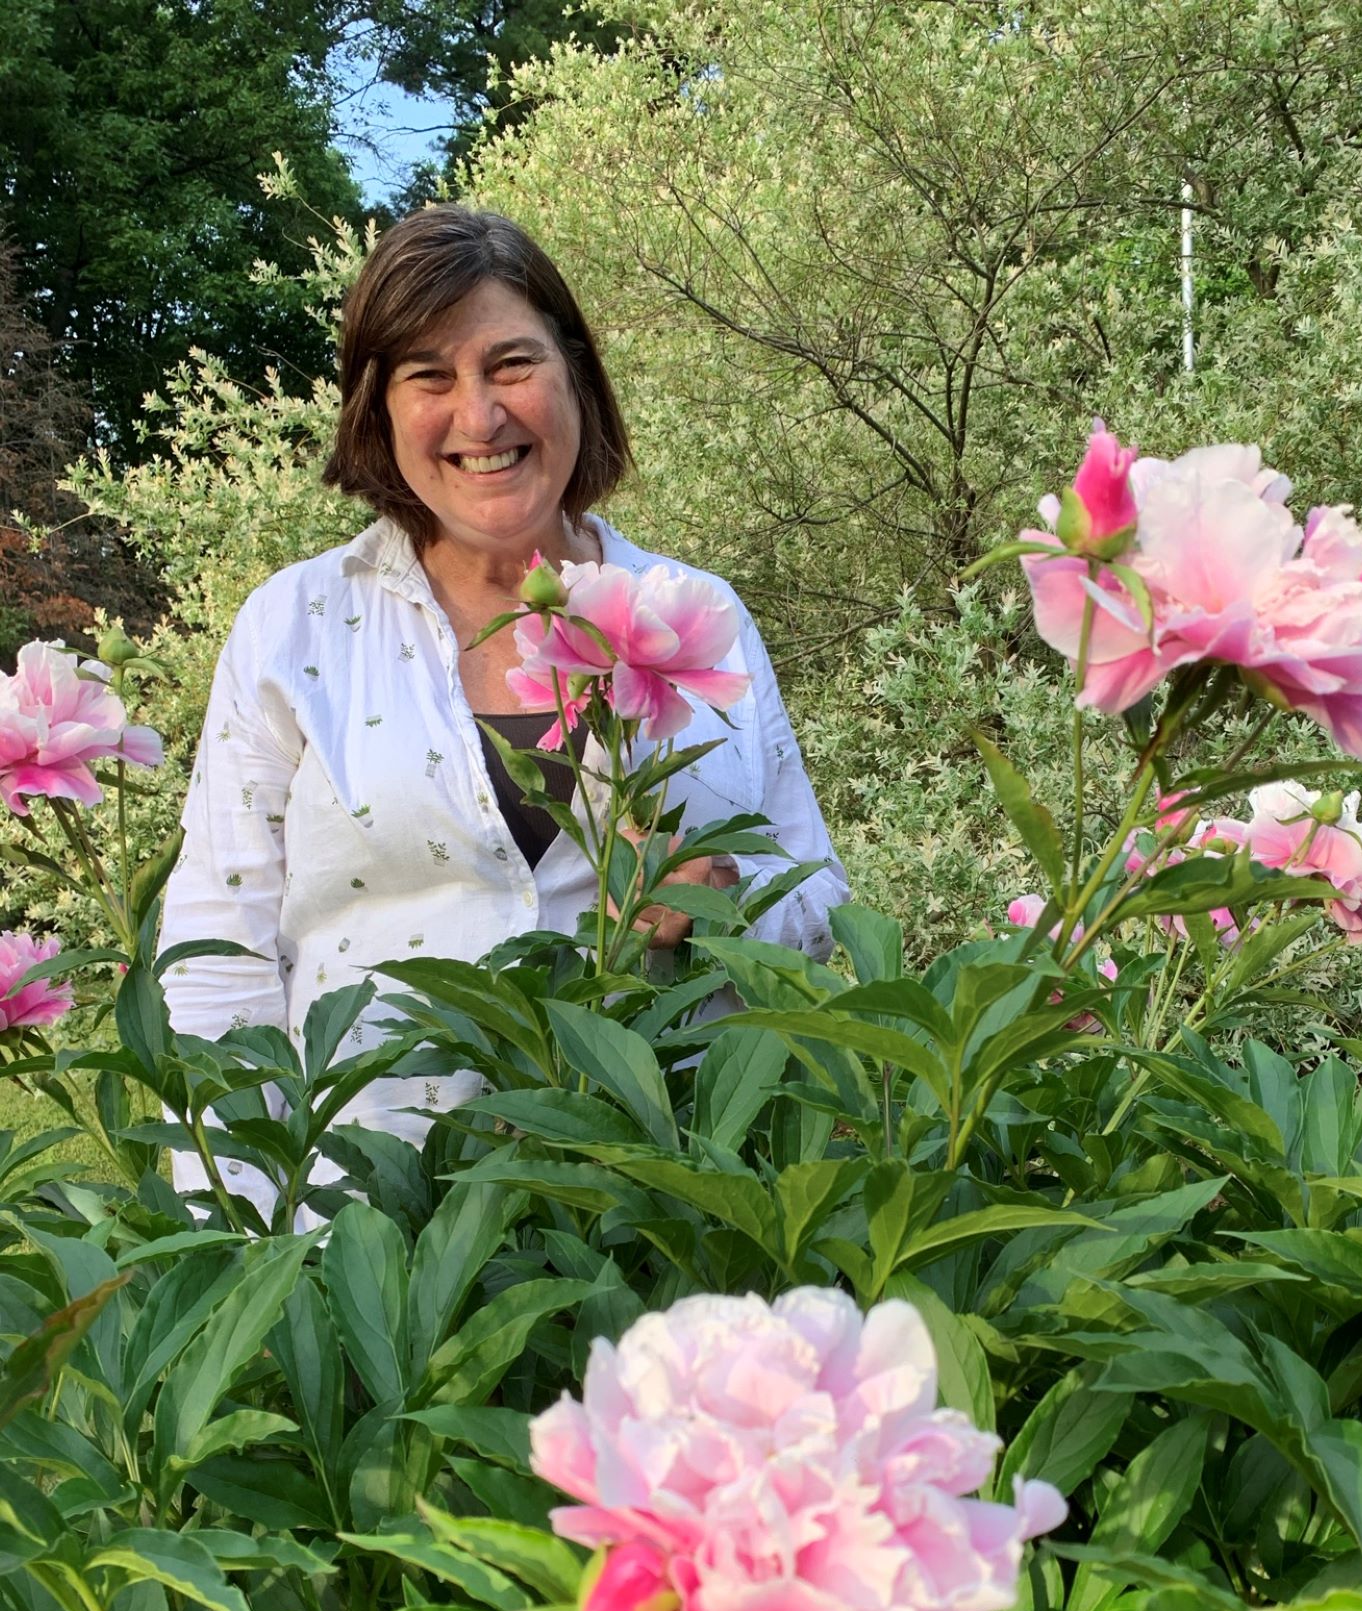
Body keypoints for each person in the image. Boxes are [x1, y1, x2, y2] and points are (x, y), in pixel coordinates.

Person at [158, 208, 848, 1208]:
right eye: (429, 377)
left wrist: (723, 895)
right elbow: (219, 954)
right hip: (371, 1222)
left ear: (576, 376)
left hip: (662, 1208)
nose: (480, 417)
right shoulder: (295, 630)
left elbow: (820, 902)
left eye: (513, 364)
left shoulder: (694, 615)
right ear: (378, 411)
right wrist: (241, 1233)